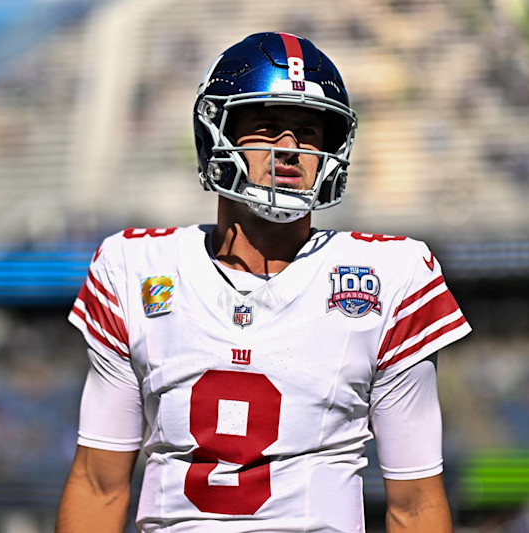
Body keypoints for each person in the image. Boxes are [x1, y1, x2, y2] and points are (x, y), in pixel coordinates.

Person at [57, 32, 471, 532]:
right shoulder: (135, 267)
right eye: (269, 127)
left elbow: (416, 503)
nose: (291, 150)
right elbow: (100, 484)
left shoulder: (390, 276)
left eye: (309, 133)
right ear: (218, 134)